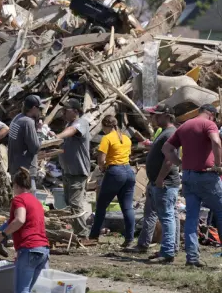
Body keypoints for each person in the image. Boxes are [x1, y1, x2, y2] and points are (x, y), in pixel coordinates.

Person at [163, 104, 222, 267]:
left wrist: (180, 163)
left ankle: (192, 258)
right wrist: (218, 165)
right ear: (211, 114)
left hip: (188, 176)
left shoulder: (184, 126)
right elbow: (216, 142)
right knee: (220, 210)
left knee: (192, 217)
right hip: (207, 175)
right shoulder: (209, 124)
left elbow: (166, 148)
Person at [0, 168, 49, 293]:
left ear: (16, 185)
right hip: (43, 250)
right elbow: (17, 221)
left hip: (29, 250)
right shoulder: (36, 202)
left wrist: (3, 235)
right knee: (28, 292)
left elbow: (20, 220)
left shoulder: (19, 200)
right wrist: (0, 230)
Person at [133, 105, 181, 259]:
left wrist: (160, 178)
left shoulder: (170, 134)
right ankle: (170, 249)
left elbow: (169, 160)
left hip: (165, 183)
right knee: (169, 215)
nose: (152, 118)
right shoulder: (165, 133)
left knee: (167, 217)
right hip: (159, 182)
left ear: (166, 115)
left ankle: (167, 251)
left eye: (155, 115)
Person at [89, 115, 136, 246]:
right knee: (127, 207)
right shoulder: (126, 138)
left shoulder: (107, 138)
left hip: (115, 172)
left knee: (101, 205)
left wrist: (103, 168)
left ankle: (93, 236)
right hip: (129, 172)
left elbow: (101, 160)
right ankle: (130, 239)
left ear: (106, 126)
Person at [55, 98, 91, 239]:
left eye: (66, 110)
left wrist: (57, 137)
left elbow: (72, 131)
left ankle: (82, 234)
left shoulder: (81, 122)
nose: (63, 112)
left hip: (77, 172)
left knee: (75, 204)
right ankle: (76, 232)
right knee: (69, 203)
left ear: (75, 111)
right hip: (68, 171)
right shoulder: (68, 123)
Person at [8, 95, 44, 192]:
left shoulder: (17, 118)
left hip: (15, 167)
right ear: (33, 108)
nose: (40, 111)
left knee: (18, 198)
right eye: (39, 108)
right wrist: (40, 131)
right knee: (28, 200)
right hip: (26, 170)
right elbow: (35, 148)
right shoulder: (28, 122)